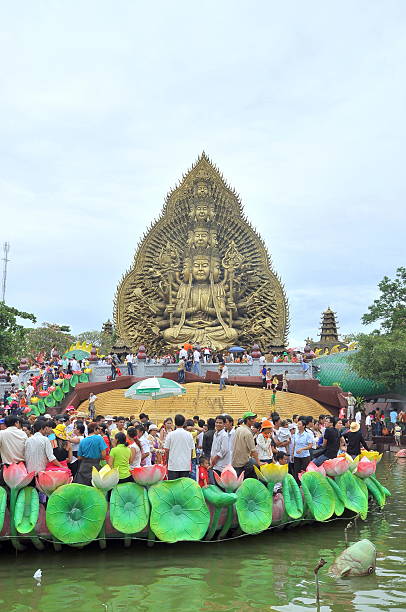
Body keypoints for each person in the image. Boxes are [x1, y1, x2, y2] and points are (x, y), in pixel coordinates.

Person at [164, 414, 194, 479]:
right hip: (185, 465)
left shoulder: (170, 434)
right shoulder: (189, 435)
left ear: (175, 423)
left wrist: (168, 461)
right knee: (183, 487)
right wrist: (189, 461)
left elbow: (166, 450)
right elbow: (191, 450)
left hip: (173, 465)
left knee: (173, 486)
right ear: (184, 423)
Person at [231, 412, 259, 476]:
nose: (254, 420)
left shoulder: (238, 429)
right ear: (247, 420)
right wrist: (259, 462)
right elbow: (253, 450)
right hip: (243, 463)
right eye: (252, 418)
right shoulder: (248, 433)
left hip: (235, 461)